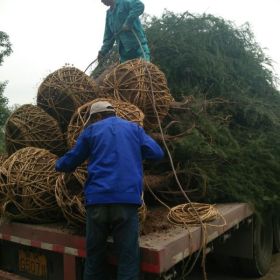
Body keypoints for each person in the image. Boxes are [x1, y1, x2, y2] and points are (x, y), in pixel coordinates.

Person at [55, 101, 164, 280]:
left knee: (94, 258)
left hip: (97, 202)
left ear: (97, 116)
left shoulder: (91, 132)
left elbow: (71, 160)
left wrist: (57, 164)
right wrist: (133, 153)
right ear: (113, 113)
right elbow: (157, 153)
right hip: (126, 203)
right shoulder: (134, 129)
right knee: (128, 259)